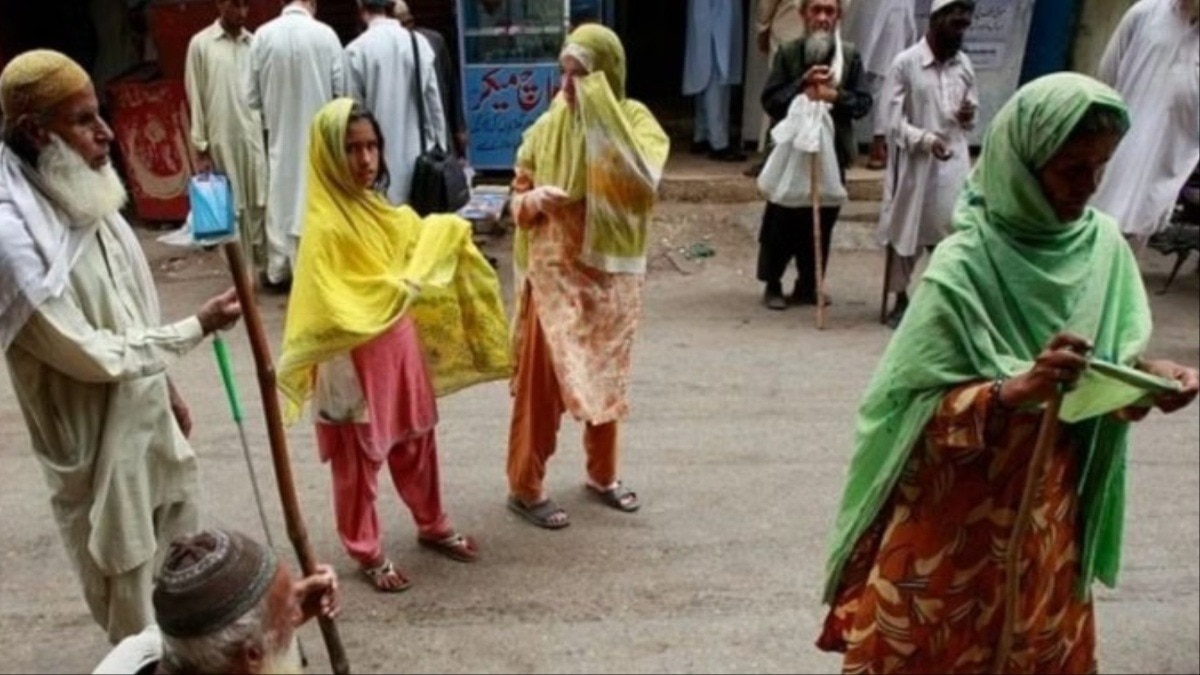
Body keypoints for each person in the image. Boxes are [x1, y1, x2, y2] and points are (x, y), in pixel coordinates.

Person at [817, 72, 1200, 674]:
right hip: (952, 523)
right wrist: (1009, 392)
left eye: (1100, 166)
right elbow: (901, 410)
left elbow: (1104, 374)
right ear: (1022, 164)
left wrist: (1148, 380)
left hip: (1047, 518)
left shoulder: (1103, 247)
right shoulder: (964, 264)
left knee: (1031, 647)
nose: (1089, 185)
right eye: (1071, 169)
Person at [0, 50, 243, 643]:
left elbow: (131, 311)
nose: (106, 132)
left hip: (153, 428)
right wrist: (195, 327)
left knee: (188, 592)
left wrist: (167, 386)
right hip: (98, 459)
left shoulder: (88, 191)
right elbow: (88, 352)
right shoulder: (12, 236)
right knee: (136, 624)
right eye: (84, 120)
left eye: (100, 113)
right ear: (36, 131)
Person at [277, 99, 510, 591]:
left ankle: (433, 523)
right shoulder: (324, 226)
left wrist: (451, 228)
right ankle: (366, 551)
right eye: (351, 149)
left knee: (417, 439)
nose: (365, 160)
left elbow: (414, 234)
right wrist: (395, 287)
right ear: (328, 155)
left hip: (398, 349)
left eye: (372, 147)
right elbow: (329, 301)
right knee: (357, 462)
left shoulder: (377, 208)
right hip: (349, 364)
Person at [505, 24, 669, 529]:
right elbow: (516, 196)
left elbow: (643, 178)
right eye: (564, 73)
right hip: (552, 275)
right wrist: (532, 201)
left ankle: (603, 475)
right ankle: (525, 485)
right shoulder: (548, 126)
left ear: (607, 76)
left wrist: (603, 126)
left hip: (608, 278)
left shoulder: (635, 121)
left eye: (581, 75)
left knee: (604, 377)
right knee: (541, 387)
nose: (568, 87)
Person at [93, 529, 340, 674]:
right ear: (252, 657)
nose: (298, 613)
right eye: (290, 611)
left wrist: (283, 607)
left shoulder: (169, 644)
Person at [757, 0, 871, 309]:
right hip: (791, 154)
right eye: (816, 10)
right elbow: (770, 101)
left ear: (838, 16)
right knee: (781, 219)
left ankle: (809, 284)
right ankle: (773, 284)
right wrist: (802, 86)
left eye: (829, 11)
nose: (822, 18)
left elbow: (863, 103)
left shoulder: (849, 56)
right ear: (803, 15)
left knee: (822, 221)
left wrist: (835, 96)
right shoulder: (789, 53)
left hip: (832, 154)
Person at [875, 0, 976, 329]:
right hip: (915, 164)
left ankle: (940, 299)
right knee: (906, 232)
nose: (961, 32)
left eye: (965, 25)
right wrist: (925, 140)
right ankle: (900, 298)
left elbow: (971, 107)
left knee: (951, 233)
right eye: (956, 24)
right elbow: (892, 121)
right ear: (936, 20)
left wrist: (967, 114)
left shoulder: (964, 64)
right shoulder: (906, 63)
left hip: (954, 163)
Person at [247, 0, 345, 288]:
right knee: (318, 199)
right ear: (312, 3)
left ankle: (280, 270)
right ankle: (319, 267)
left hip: (279, 135)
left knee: (282, 200)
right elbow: (341, 93)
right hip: (320, 138)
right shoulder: (326, 35)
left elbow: (251, 98)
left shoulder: (262, 36)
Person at [1091, 0, 1199, 250]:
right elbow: (1106, 76)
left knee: (1133, 242)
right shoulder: (1145, 14)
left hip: (1166, 167)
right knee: (1094, 229)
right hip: (1117, 153)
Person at [185, 0, 269, 277]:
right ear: (220, 4)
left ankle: (258, 271)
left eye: (246, 6)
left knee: (258, 204)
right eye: (235, 5)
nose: (242, 13)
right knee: (230, 210)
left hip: (253, 139)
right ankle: (241, 276)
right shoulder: (201, 45)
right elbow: (195, 97)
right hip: (221, 140)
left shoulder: (254, 44)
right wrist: (201, 147)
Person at [346, 0, 445, 208]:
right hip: (421, 169)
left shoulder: (356, 51)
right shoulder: (419, 43)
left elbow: (353, 117)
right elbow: (434, 107)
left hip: (377, 166)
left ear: (361, 8)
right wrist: (441, 151)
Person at [844, 0, 918, 170]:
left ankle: (878, 145)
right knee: (853, 75)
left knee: (884, 81)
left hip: (891, 16)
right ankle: (849, 145)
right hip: (867, 15)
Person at [394, 0, 468, 158]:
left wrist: (459, 127)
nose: (407, 27)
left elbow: (451, 85)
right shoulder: (390, 50)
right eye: (402, 24)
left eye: (408, 21)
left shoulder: (434, 41)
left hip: (439, 126)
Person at [741, 0, 805, 178]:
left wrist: (762, 28)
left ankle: (771, 160)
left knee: (780, 98)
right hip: (818, 32)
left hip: (788, 30)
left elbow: (766, 5)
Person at [683, 0, 747, 162]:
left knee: (704, 78)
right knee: (715, 75)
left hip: (708, 17)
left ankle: (702, 133)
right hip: (716, 21)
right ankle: (719, 142)